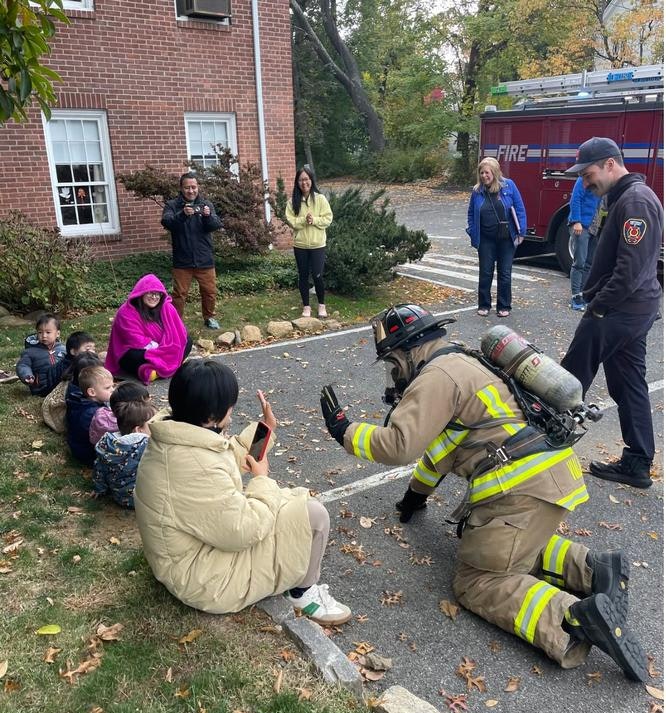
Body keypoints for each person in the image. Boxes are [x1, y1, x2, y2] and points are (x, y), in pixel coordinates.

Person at [319, 302, 649, 682]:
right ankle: (595, 568)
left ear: (408, 351)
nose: (395, 377)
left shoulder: (436, 376)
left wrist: (344, 430)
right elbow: (442, 451)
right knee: (506, 544)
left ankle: (571, 620)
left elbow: (398, 445)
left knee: (478, 580)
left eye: (394, 365)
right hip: (551, 477)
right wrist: (415, 496)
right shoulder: (465, 362)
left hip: (522, 491)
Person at [134, 359, 351, 624]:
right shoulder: (194, 464)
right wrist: (262, 480)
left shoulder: (176, 435)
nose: (232, 412)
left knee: (291, 502)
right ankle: (303, 592)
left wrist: (265, 430)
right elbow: (242, 530)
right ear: (211, 417)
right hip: (208, 580)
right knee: (314, 516)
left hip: (190, 557)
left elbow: (227, 456)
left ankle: (300, 583)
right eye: (230, 407)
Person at [561, 137, 662, 489]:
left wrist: (599, 306)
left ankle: (540, 447)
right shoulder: (623, 198)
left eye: (588, 174)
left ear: (609, 164)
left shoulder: (635, 201)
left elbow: (629, 271)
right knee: (628, 383)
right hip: (633, 309)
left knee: (569, 377)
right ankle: (637, 463)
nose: (585, 183)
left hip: (620, 309)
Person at [161, 172, 223, 329]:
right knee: (179, 294)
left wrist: (208, 216)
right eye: (187, 187)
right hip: (183, 260)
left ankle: (209, 317)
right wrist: (183, 214)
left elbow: (216, 224)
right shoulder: (172, 205)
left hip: (205, 258)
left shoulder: (206, 204)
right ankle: (176, 323)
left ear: (198, 187)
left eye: (193, 187)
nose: (191, 191)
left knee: (209, 292)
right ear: (181, 188)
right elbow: (167, 222)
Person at [466, 157, 526, 318]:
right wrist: (472, 232)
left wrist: (521, 232)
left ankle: (504, 305)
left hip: (506, 238)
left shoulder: (509, 186)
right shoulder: (477, 191)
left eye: (487, 172)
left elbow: (520, 209)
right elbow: (471, 213)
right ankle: (484, 304)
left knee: (505, 273)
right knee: (485, 272)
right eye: (482, 172)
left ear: (495, 172)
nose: (484, 175)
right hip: (485, 239)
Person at [104, 274, 191, 385]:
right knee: (133, 356)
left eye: (158, 294)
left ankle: (159, 370)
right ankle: (170, 366)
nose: (154, 297)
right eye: (151, 293)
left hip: (163, 348)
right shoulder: (126, 311)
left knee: (187, 341)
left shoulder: (167, 307)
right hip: (139, 350)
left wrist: (167, 346)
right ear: (142, 293)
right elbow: (133, 339)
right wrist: (160, 349)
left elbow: (179, 331)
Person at [93, 388, 157, 509]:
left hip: (118, 496)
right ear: (139, 430)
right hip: (141, 500)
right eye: (153, 424)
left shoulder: (107, 443)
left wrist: (99, 489)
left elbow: (99, 468)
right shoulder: (144, 446)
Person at [285, 166, 333, 319]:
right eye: (300, 180)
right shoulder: (292, 202)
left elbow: (328, 218)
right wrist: (304, 221)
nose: (304, 182)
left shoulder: (320, 199)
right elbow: (291, 221)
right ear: (297, 182)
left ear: (311, 180)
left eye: (306, 179)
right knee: (303, 276)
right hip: (300, 246)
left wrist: (315, 220)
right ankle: (306, 306)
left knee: (318, 275)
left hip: (318, 245)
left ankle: (321, 305)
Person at [42, 331, 97, 433]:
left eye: (94, 349)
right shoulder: (76, 371)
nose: (93, 352)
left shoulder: (78, 364)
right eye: (88, 349)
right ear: (73, 352)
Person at [66, 364, 114, 466]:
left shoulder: (80, 401)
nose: (112, 390)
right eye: (107, 388)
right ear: (92, 392)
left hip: (78, 446)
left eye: (112, 386)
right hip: (89, 454)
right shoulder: (93, 414)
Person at [567, 176, 601, 311]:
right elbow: (575, 199)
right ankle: (576, 296)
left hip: (594, 226)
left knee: (589, 263)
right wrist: (576, 221)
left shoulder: (600, 180)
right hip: (582, 225)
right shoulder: (583, 179)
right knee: (579, 262)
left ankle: (583, 294)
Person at [16, 314, 67, 397]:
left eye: (48, 332)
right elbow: (23, 365)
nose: (44, 336)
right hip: (42, 388)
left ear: (57, 334)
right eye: (40, 332)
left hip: (61, 384)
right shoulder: (30, 352)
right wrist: (27, 375)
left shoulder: (63, 349)